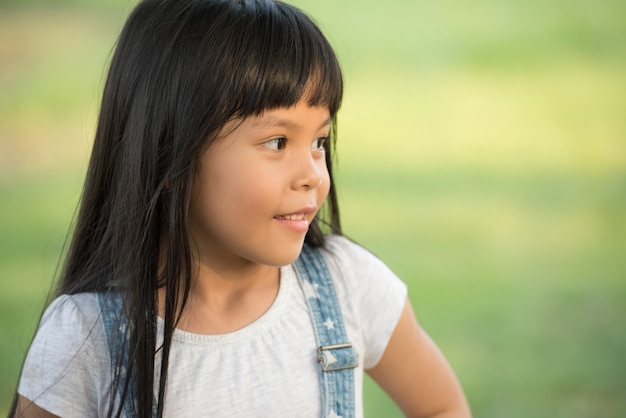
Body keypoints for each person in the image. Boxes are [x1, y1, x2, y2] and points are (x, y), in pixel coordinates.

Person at [11, 0, 471, 417]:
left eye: (319, 141)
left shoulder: (349, 286)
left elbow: (442, 407)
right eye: (277, 142)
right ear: (173, 153)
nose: (313, 172)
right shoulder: (85, 339)